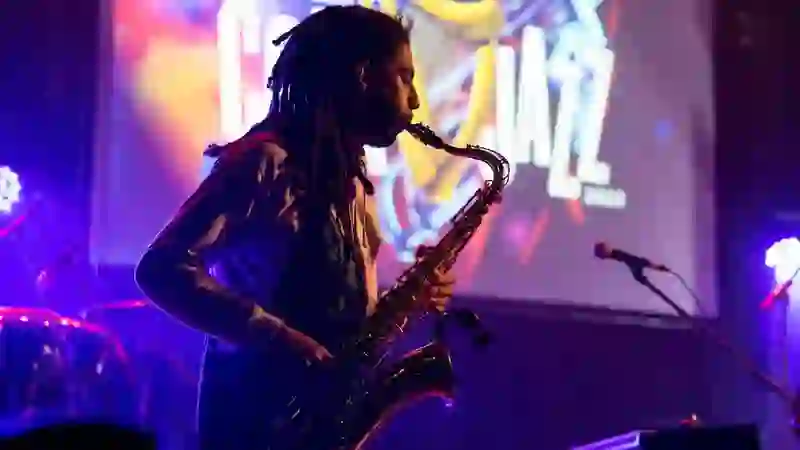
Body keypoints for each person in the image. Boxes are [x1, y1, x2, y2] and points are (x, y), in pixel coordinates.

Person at [134, 5, 454, 449]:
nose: (415, 99)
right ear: (363, 76)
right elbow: (160, 269)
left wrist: (405, 301)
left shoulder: (354, 184)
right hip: (255, 422)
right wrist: (277, 338)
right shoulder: (264, 162)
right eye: (404, 76)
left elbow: (337, 311)